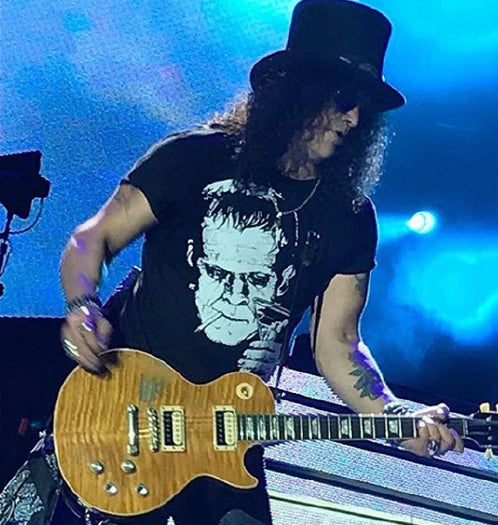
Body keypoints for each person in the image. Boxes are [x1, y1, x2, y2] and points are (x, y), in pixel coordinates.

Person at [0, 1, 464, 524]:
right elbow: (94, 239)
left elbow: (338, 344)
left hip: (232, 437)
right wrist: (82, 306)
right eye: (344, 98)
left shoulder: (350, 217)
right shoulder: (195, 158)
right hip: (128, 415)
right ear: (298, 88)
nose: (354, 119)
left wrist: (395, 415)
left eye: (366, 108)